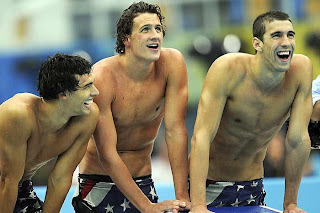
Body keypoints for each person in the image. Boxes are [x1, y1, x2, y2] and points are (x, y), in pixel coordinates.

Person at [189, 10, 312, 213]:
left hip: (251, 186)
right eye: (276, 35)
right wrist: (199, 204)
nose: (286, 42)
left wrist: (290, 203)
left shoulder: (300, 70)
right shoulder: (228, 69)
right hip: (208, 184)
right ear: (257, 44)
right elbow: (201, 137)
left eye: (290, 35)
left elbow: (297, 139)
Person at [72, 1, 190, 213]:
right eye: (145, 29)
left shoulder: (172, 64)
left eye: (158, 29)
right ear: (126, 39)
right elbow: (107, 153)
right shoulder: (102, 77)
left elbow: (175, 131)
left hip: (143, 181)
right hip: (99, 183)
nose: (155, 35)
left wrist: (182, 199)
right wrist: (145, 207)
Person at [0, 53, 99, 213]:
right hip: (6, 182)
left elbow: (60, 179)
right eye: (87, 86)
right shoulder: (18, 114)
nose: (96, 92)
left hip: (20, 185)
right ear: (63, 93)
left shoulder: (86, 117)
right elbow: (6, 181)